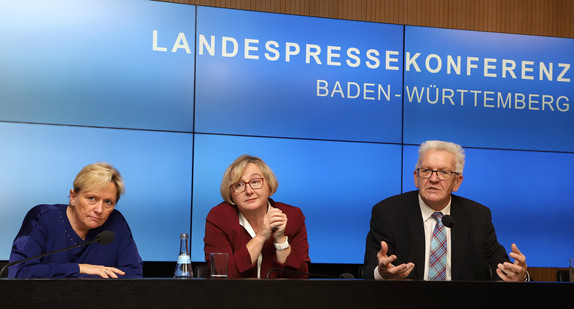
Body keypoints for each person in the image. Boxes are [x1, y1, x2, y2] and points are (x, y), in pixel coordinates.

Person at [363, 140, 529, 281]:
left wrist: (521, 276)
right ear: (416, 177)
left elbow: (501, 270)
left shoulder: (478, 216)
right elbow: (369, 271)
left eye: (443, 172)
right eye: (426, 170)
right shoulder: (387, 212)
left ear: (457, 182)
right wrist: (381, 273)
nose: (433, 179)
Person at [8, 162, 143, 278]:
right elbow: (19, 272)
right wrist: (80, 268)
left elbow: (133, 274)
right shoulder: (43, 217)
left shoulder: (116, 222)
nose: (99, 209)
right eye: (91, 198)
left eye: (108, 202)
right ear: (73, 197)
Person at [204, 155, 310, 278]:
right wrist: (261, 237)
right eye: (238, 185)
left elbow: (301, 278)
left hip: (281, 296)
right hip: (233, 296)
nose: (249, 191)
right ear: (231, 193)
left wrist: (281, 241)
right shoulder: (219, 217)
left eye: (255, 182)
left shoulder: (293, 216)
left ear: (269, 185)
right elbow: (221, 275)